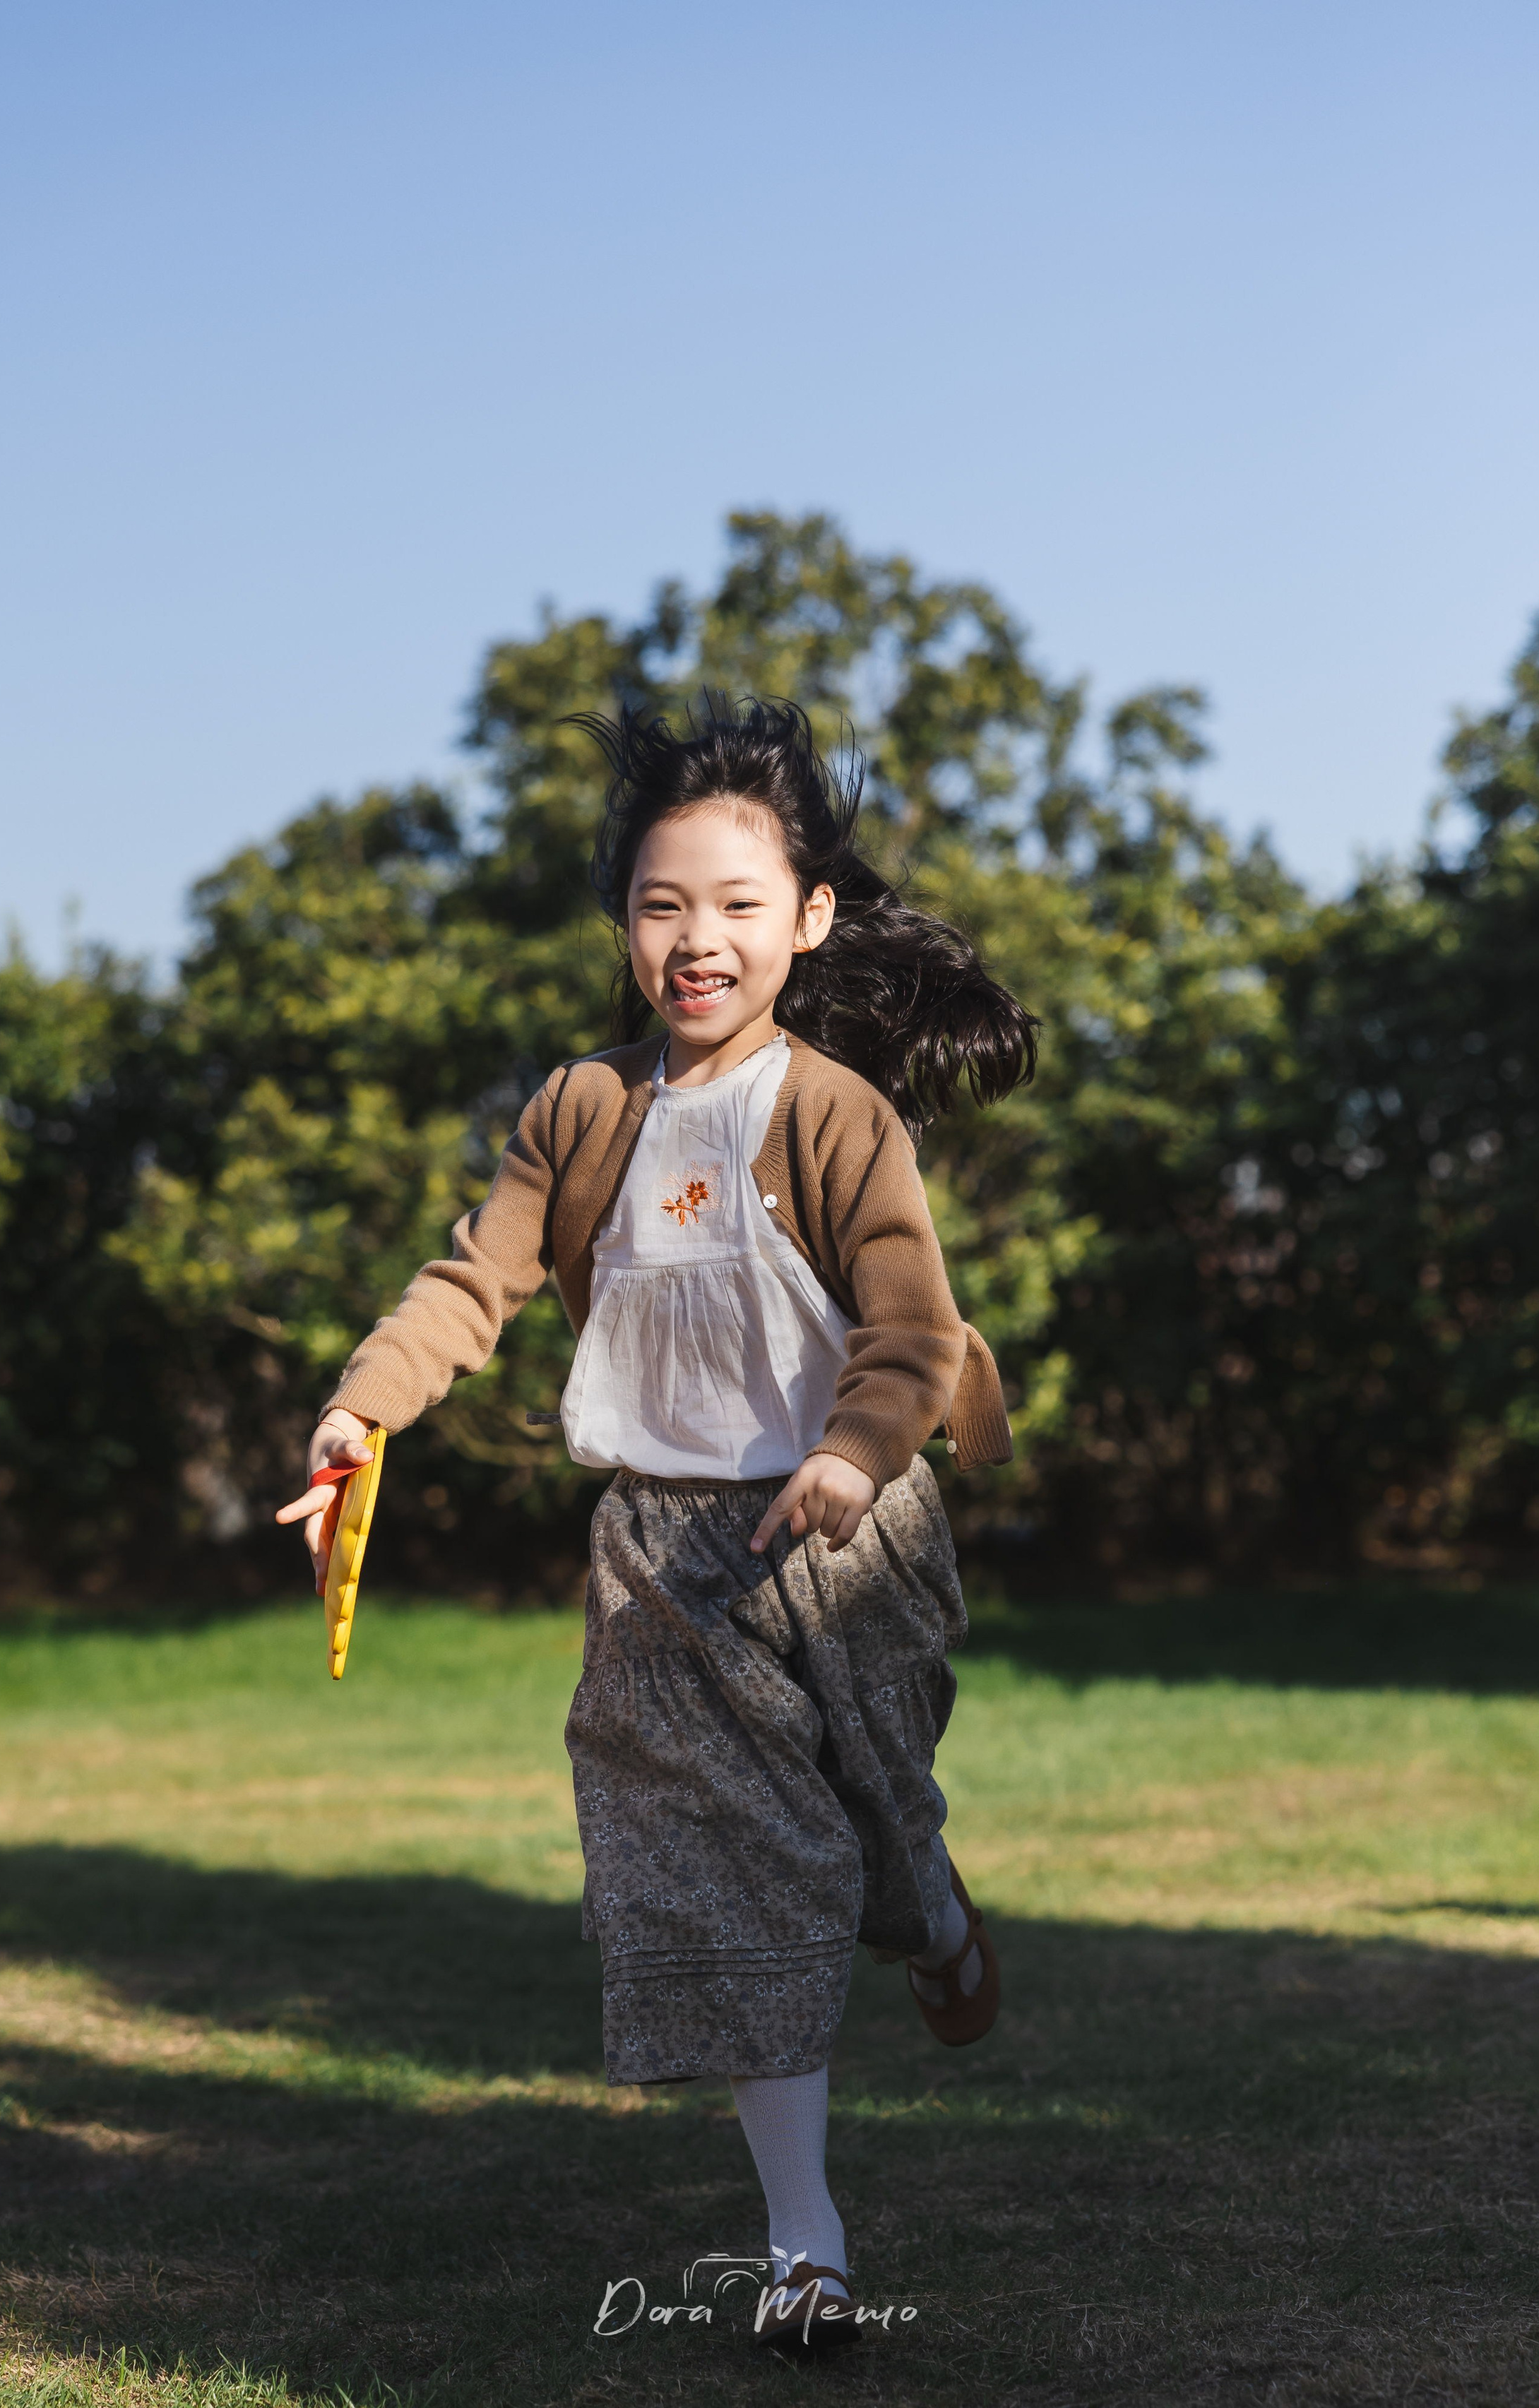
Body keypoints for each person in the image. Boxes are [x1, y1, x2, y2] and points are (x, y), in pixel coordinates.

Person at [277, 695, 1036, 2351]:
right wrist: (363, 1405)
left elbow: (911, 1330)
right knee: (732, 1873)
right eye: (659, 904)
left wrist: (852, 1452)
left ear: (806, 921)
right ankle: (804, 2243)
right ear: (625, 921)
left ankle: (935, 1914)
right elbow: (470, 1279)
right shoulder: (579, 1108)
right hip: (662, 1556)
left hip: (852, 1535)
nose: (695, 940)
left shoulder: (837, 1113)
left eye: (736, 905)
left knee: (875, 1832)